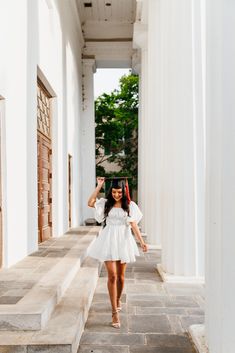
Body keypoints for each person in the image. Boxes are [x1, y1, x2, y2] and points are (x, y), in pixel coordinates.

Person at [87, 177, 148, 329]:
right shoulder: (105, 203)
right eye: (114, 192)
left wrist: (141, 242)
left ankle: (118, 298)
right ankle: (114, 311)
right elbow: (90, 203)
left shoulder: (130, 206)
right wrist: (99, 185)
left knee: (121, 276)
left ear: (124, 191)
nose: (116, 195)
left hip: (124, 240)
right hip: (108, 239)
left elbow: (133, 224)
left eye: (119, 192)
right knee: (112, 275)